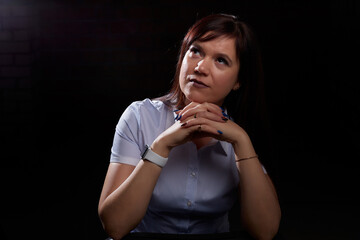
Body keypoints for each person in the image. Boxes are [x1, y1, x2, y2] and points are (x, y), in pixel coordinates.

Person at [98, 14, 281, 240]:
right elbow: (114, 226)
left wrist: (241, 143)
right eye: (196, 51)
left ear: (238, 81)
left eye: (221, 60)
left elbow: (265, 232)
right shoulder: (139, 117)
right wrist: (161, 145)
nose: (201, 67)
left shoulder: (242, 129)